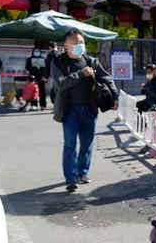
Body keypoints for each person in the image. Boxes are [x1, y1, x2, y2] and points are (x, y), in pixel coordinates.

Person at [51, 29, 118, 192]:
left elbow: (107, 77)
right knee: (70, 145)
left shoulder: (91, 61)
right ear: (66, 46)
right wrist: (82, 73)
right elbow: (61, 83)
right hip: (69, 110)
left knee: (87, 144)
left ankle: (82, 173)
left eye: (81, 42)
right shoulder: (59, 62)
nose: (79, 45)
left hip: (89, 108)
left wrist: (115, 96)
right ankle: (70, 178)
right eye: (75, 43)